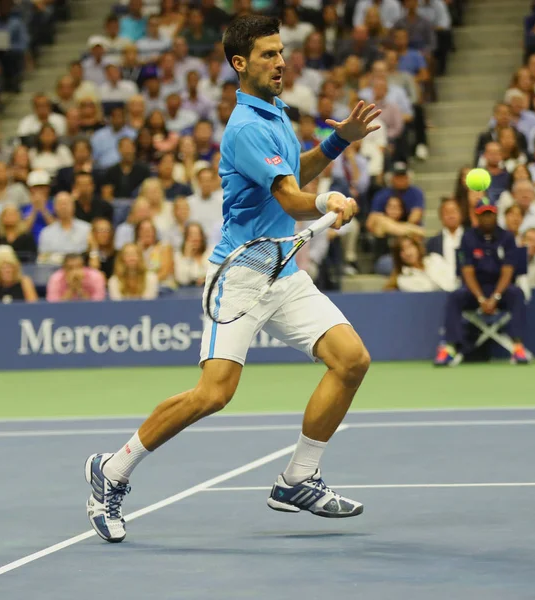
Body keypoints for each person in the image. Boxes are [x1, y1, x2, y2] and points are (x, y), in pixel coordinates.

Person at [84, 15, 381, 543]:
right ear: (239, 63)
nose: (281, 61)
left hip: (281, 271)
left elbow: (294, 176)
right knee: (214, 393)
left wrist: (340, 144)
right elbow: (291, 198)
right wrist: (326, 202)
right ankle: (112, 469)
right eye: (268, 55)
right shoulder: (245, 126)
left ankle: (298, 478)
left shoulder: (275, 114)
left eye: (281, 52)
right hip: (240, 275)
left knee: (352, 359)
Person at [434, 198, 530, 367]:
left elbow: (508, 271)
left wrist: (496, 297)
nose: (487, 218)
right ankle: (449, 348)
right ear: (477, 216)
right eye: (483, 215)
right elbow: (467, 271)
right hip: (474, 289)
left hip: (500, 288)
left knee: (517, 294)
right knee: (455, 297)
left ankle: (517, 346)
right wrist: (480, 298)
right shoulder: (468, 237)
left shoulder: (507, 237)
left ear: (495, 214)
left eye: (490, 214)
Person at [385, 235, 457, 292]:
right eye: (402, 250)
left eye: (409, 247)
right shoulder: (403, 279)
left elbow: (452, 278)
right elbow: (427, 291)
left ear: (417, 247)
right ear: (398, 256)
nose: (407, 253)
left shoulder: (435, 259)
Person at [37, 192, 91, 262]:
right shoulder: (46, 233)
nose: (63, 207)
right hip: (54, 270)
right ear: (54, 208)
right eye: (60, 204)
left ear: (74, 206)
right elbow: (42, 259)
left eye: (66, 203)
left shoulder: (87, 229)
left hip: (81, 270)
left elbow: (92, 252)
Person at [173, 222, 210, 287]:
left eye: (197, 234)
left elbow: (218, 274)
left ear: (202, 237)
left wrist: (205, 279)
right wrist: (187, 256)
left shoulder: (210, 251)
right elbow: (182, 280)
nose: (194, 238)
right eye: (191, 235)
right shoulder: (179, 255)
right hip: (189, 292)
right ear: (185, 238)